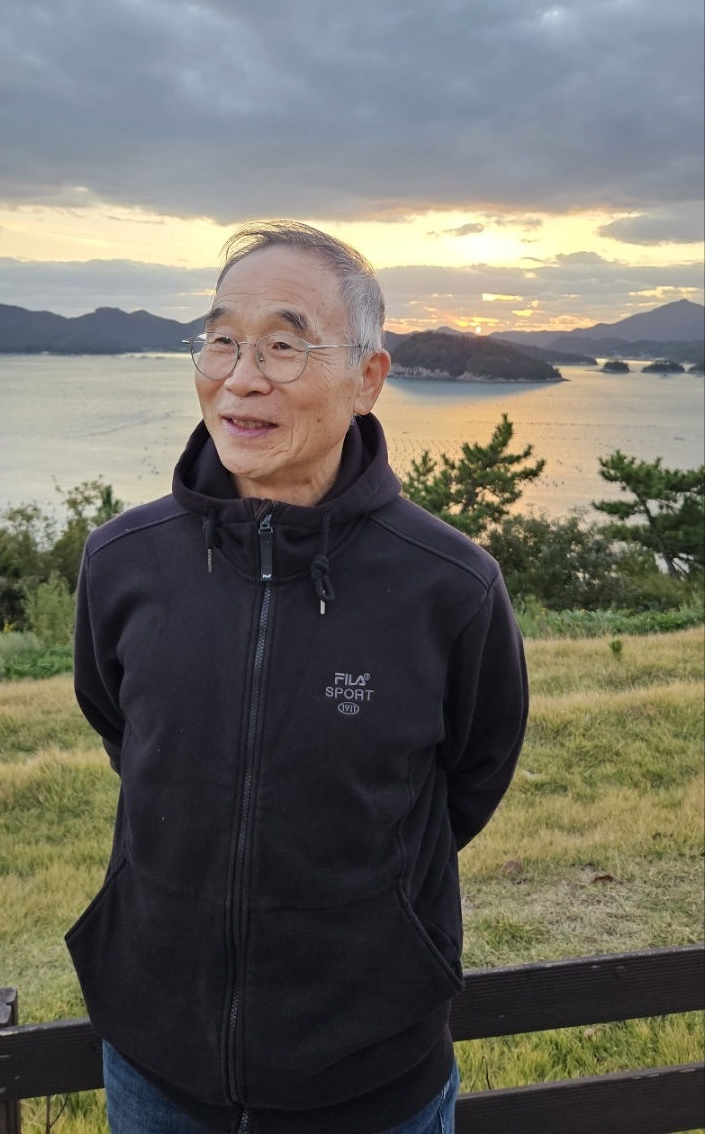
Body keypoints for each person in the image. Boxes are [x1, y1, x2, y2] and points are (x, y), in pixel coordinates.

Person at [67, 221, 528, 1134]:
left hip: (370, 1072)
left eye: (284, 346)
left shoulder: (449, 585)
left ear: (367, 379)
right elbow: (122, 730)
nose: (241, 377)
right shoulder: (123, 562)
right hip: (156, 1057)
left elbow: (471, 777)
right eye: (221, 340)